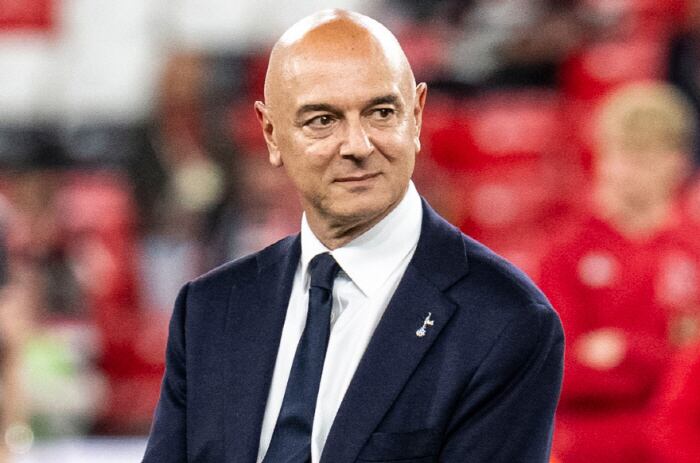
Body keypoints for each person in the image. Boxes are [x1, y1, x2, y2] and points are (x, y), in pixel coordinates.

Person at [143, 9, 564, 463]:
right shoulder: (209, 311)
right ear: (271, 134)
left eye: (381, 113)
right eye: (322, 120)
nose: (358, 146)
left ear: (416, 115)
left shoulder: (505, 322)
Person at [540, 81, 699, 463]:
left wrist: (625, 349)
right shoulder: (566, 250)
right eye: (618, 154)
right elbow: (557, 370)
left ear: (676, 162)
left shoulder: (693, 248)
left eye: (643, 158)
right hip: (584, 445)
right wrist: (667, 355)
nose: (626, 171)